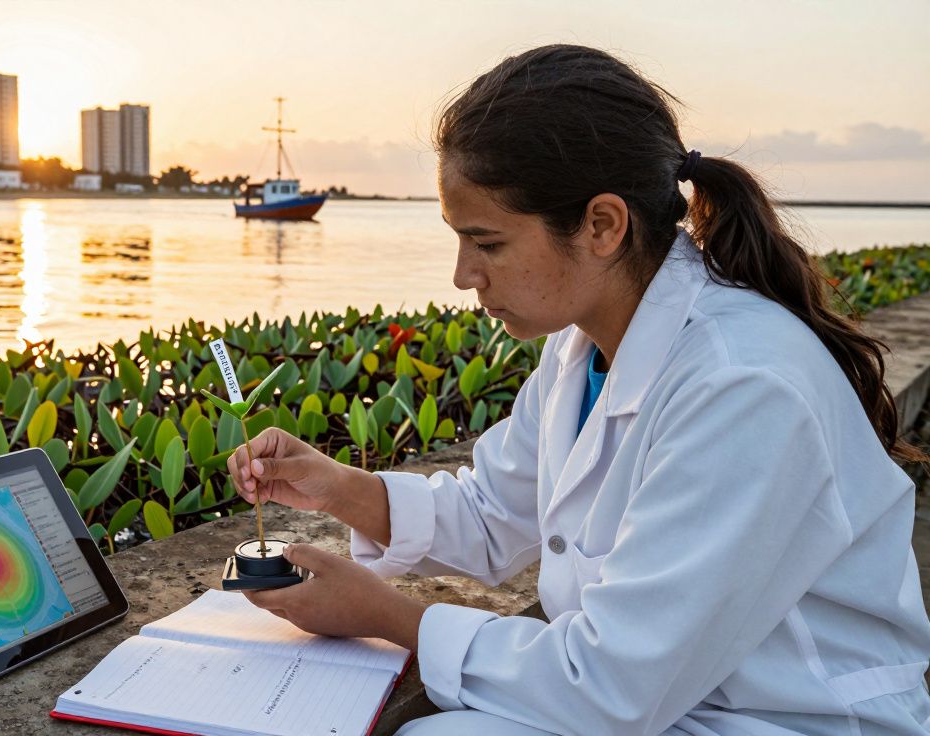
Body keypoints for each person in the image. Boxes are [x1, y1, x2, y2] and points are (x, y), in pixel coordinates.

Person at [226, 45, 930, 735]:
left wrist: (385, 615)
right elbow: (498, 510)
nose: (463, 274)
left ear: (602, 225)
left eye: (488, 243)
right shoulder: (585, 345)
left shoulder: (742, 385)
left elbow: (614, 688)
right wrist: (336, 487)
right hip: (682, 701)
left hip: (787, 717)